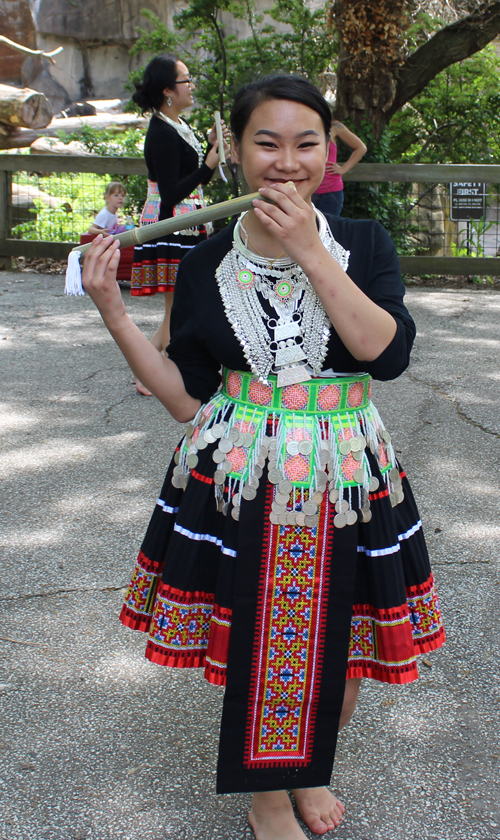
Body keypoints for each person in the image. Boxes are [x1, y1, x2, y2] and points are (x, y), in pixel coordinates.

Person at [82, 75, 445, 840]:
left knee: (346, 643)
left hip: (346, 468)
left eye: (306, 143)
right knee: (257, 635)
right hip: (242, 468)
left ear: (327, 151)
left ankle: (310, 768)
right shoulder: (206, 261)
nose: (287, 162)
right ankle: (268, 796)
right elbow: (186, 397)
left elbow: (387, 356)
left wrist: (313, 249)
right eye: (267, 144)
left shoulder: (366, 243)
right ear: (237, 154)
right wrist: (114, 311)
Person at [131, 53, 226, 395]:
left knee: (176, 308)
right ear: (168, 91)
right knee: (177, 307)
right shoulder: (161, 132)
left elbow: (196, 182)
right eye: (186, 80)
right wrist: (207, 165)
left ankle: (149, 372)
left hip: (189, 221)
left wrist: (212, 153)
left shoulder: (179, 127)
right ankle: (156, 376)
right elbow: (170, 192)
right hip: (171, 224)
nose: (192, 85)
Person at [312, 119, 367, 217]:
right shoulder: (301, 124)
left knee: (331, 229)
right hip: (307, 190)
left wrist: (344, 169)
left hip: (331, 192)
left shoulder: (335, 126)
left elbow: (361, 148)